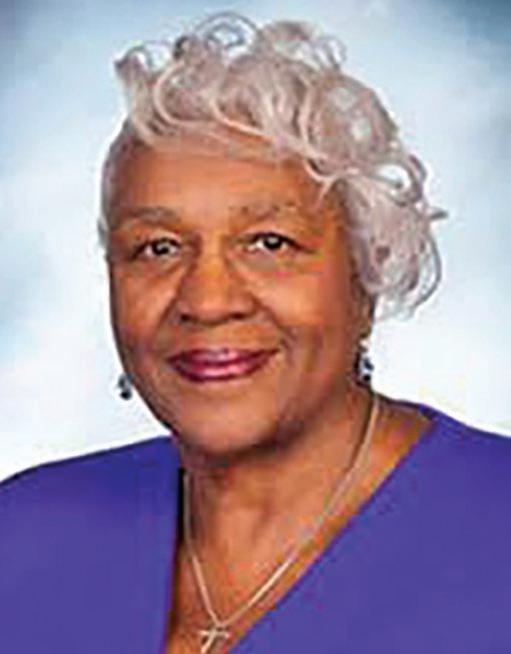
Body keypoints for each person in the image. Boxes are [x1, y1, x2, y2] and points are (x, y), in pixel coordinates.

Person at [1, 11, 510, 654]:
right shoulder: (21, 534)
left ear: (365, 276)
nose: (207, 301)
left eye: (270, 242)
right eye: (158, 248)